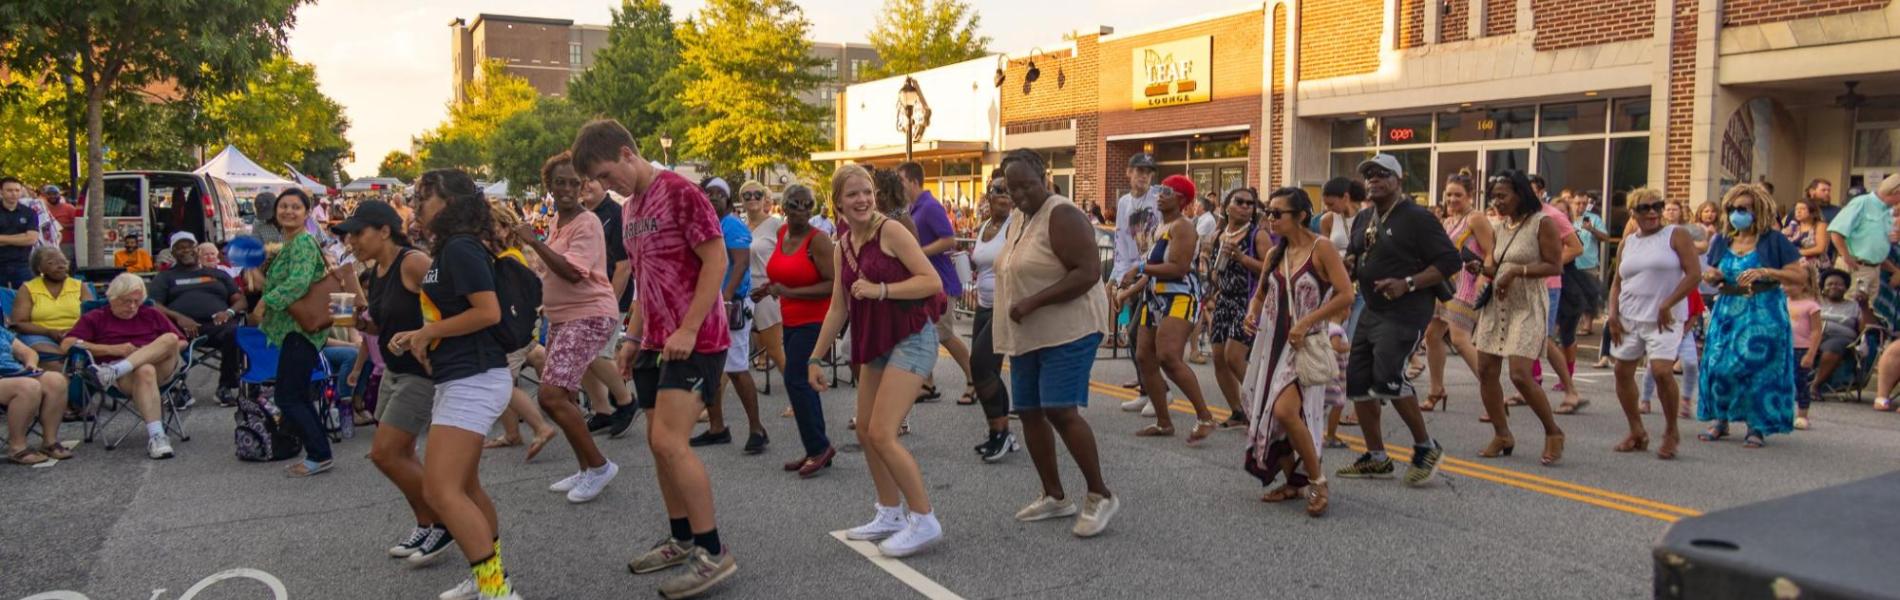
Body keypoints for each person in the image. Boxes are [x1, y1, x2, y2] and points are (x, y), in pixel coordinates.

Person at [576, 119, 737, 597]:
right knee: (656, 441)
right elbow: (648, 280)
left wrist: (689, 327)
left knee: (670, 441)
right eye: (599, 183)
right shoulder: (631, 211)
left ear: (628, 153)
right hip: (655, 341)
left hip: (698, 338)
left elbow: (718, 260)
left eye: (607, 175)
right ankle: (682, 537)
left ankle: (713, 552)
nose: (607, 187)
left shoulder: (680, 192)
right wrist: (631, 337)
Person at [385, 170, 522, 600]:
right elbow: (458, 315)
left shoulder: (461, 247)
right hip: (463, 377)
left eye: (424, 196)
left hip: (474, 379)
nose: (417, 204)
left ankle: (496, 590)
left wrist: (426, 334)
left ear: (449, 200)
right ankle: (488, 577)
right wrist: (423, 335)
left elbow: (488, 312)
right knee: (463, 488)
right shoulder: (452, 247)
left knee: (440, 490)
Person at [808, 163, 948, 557]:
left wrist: (881, 289)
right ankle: (889, 513)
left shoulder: (891, 231)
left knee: (884, 432)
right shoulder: (842, 246)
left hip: (911, 337)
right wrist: (814, 358)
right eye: (852, 194)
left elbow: (931, 281)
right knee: (866, 430)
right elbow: (838, 308)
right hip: (877, 342)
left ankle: (924, 519)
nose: (863, 199)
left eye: (867, 191)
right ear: (837, 202)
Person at [992, 149, 1121, 535]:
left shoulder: (1061, 214)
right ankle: (1054, 496)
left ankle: (1100, 494)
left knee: (1060, 409)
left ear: (1044, 176)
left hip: (1070, 328)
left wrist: (1034, 301)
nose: (1018, 194)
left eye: (1026, 185)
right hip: (1028, 332)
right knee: (1029, 411)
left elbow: (1088, 272)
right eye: (1010, 187)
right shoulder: (1019, 218)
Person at [334, 200, 456, 564]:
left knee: (385, 453)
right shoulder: (380, 270)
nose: (352, 241)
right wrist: (364, 325)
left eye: (359, 232)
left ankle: (447, 521)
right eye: (350, 235)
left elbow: (452, 308)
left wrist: (423, 336)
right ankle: (427, 522)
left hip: (420, 373)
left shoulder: (413, 262)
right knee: (399, 454)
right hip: (393, 370)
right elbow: (389, 324)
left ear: (384, 230)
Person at [1337, 153, 1458, 485]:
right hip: (1372, 309)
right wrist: (1348, 266)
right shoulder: (1364, 218)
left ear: (1398, 180)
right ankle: (1376, 457)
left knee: (1388, 377)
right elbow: (1356, 253)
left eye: (1382, 174)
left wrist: (1407, 283)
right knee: (1357, 380)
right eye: (1369, 175)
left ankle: (1425, 446)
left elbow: (1450, 261)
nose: (1373, 179)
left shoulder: (1417, 217)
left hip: (1407, 310)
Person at [1237, 186, 1353, 516]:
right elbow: (1260, 295)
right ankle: (1294, 480)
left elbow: (1345, 294)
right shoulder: (1276, 253)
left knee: (1286, 411)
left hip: (1303, 343)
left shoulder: (1323, 248)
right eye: (1268, 213)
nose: (1270, 219)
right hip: (1270, 342)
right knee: (1272, 414)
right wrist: (1251, 313)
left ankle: (1317, 480)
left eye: (1277, 213)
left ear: (1301, 216)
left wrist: (1308, 322)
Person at [517, 152, 623, 503]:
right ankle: (586, 468)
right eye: (559, 182)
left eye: (573, 182)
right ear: (549, 186)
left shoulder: (587, 222)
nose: (566, 188)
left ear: (583, 186)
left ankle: (600, 466)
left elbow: (573, 271)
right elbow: (553, 269)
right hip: (563, 315)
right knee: (562, 395)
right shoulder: (558, 224)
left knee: (550, 395)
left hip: (589, 313)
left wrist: (532, 243)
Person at [1470, 171, 1569, 465]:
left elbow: (1555, 266)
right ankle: (1502, 434)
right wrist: (1481, 268)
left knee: (1520, 375)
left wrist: (1517, 272)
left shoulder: (1542, 223)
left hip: (1527, 304)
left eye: (1503, 195)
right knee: (1486, 370)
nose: (1497, 202)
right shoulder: (1500, 226)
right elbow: (1497, 266)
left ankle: (1553, 432)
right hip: (1498, 304)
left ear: (1520, 194)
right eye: (1493, 197)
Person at [1698, 183, 1805, 449]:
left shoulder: (1774, 240)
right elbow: (1711, 272)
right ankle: (1720, 420)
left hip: (1764, 310)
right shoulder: (1722, 239)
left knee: (1759, 370)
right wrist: (1713, 276)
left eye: (1743, 209)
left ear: (1757, 210)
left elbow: (1799, 276)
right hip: (1728, 310)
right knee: (1719, 366)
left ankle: (1756, 426)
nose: (1737, 213)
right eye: (1732, 209)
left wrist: (1768, 272)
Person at [1604, 189, 1699, 460]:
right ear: (1633, 212)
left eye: (1657, 206)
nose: (1652, 212)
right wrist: (1612, 314)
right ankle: (1637, 431)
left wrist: (1667, 303)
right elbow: (1616, 283)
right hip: (1629, 316)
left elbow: (1694, 275)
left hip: (1664, 318)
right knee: (1622, 372)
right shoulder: (1628, 243)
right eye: (1644, 208)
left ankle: (1671, 431)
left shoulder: (1676, 235)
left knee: (1661, 371)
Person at [1122, 174, 1217, 443]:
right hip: (1155, 299)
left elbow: (1177, 268)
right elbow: (1150, 271)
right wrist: (1128, 290)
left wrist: (1139, 268)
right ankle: (1164, 422)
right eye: (1160, 190)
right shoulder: (1159, 227)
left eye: (1168, 191)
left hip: (1180, 296)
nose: (1161, 194)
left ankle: (1205, 416)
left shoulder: (1183, 227)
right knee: (1144, 356)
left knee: (1168, 356)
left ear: (1182, 199)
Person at [251, 188, 338, 477]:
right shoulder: (287, 243)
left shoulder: (302, 242)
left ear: (307, 212)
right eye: (283, 206)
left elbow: (298, 283)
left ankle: (319, 454)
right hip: (293, 330)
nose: (288, 211)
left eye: (295, 207)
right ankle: (318, 452)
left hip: (301, 329)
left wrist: (266, 302)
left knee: (288, 396)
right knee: (297, 394)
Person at [759, 184, 836, 477]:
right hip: (790, 318)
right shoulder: (782, 235)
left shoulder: (819, 241)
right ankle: (816, 447)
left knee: (795, 380)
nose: (802, 210)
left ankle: (819, 447)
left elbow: (832, 284)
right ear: (785, 208)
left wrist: (789, 290)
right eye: (795, 204)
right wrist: (768, 290)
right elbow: (782, 275)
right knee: (800, 382)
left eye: (808, 205)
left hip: (815, 320)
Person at [63, 273, 184, 460]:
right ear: (112, 298)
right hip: (127, 379)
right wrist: (113, 349)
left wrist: (148, 351)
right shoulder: (96, 317)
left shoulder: (151, 313)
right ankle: (157, 436)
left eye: (137, 301)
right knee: (145, 370)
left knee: (170, 339)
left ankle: (115, 371)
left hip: (161, 368)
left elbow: (181, 343)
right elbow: (67, 344)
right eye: (126, 301)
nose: (132, 307)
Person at [692, 177, 768, 454]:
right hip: (710, 302)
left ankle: (757, 429)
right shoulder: (707, 223)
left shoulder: (732, 224)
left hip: (731, 303)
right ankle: (716, 428)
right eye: (707, 193)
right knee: (710, 367)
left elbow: (740, 263)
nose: (712, 198)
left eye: (718, 194)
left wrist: (723, 299)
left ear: (726, 198)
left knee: (736, 367)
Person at [897, 162, 973, 404]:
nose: (899, 186)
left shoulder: (930, 206)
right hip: (923, 283)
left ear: (913, 181)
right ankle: (927, 383)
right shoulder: (912, 208)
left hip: (941, 283)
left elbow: (949, 240)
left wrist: (918, 252)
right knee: (922, 332)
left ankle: (975, 381)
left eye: (901, 181)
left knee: (944, 334)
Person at [149, 231, 246, 405]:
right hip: (180, 328)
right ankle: (178, 388)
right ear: (173, 253)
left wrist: (229, 312)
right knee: (164, 338)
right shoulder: (165, 277)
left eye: (190, 246)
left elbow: (240, 299)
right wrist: (179, 317)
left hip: (217, 325)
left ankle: (225, 386)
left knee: (235, 332)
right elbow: (153, 304)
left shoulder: (218, 274)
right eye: (180, 248)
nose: (186, 251)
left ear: (197, 249)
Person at [1422, 172, 1492, 412]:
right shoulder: (1448, 220)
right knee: (1432, 335)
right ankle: (1436, 389)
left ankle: (1492, 392)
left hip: (1467, 284)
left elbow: (1492, 252)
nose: (1452, 199)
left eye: (1458, 195)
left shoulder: (1476, 218)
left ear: (1470, 196)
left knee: (1460, 340)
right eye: (1449, 194)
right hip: (1444, 285)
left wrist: (1485, 276)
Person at [1204, 188, 1273, 429]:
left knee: (1234, 357)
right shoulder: (1220, 235)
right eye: (1240, 202)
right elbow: (1213, 268)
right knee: (1219, 359)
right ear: (1227, 206)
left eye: (1250, 204)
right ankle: (1238, 411)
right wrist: (1213, 281)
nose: (1245, 207)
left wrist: (1243, 259)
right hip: (1224, 300)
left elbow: (1270, 269)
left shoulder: (1257, 236)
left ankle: (1261, 408)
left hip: (1247, 301)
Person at [581, 175, 640, 437]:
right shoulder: (581, 215)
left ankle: (626, 402)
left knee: (595, 352)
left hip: (610, 298)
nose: (585, 186)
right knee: (582, 356)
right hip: (584, 298)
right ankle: (603, 410)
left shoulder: (615, 214)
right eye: (578, 182)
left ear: (602, 184)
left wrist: (609, 304)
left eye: (588, 181)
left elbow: (624, 266)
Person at [967, 170, 1018, 461]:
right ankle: (998, 431)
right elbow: (984, 263)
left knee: (981, 365)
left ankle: (1002, 432)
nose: (1003, 195)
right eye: (998, 189)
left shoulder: (1014, 225)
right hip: (983, 305)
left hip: (1003, 306)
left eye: (1008, 191)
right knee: (986, 372)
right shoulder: (986, 224)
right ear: (988, 194)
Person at [1112, 154, 1160, 396]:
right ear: (1129, 172)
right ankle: (1146, 389)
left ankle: (1157, 390)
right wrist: (1119, 276)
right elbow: (1120, 240)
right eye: (1139, 170)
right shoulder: (1124, 203)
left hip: (1153, 273)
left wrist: (1144, 270)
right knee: (1133, 336)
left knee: (1138, 334)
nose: (1143, 176)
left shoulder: (1159, 199)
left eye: (1148, 171)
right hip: (1132, 272)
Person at [740, 181, 789, 407]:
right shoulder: (740, 226)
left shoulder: (776, 226)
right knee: (730, 350)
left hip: (768, 292)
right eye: (746, 194)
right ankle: (711, 409)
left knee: (775, 351)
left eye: (757, 194)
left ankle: (800, 400)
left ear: (765, 197)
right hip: (743, 291)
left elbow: (792, 255)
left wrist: (782, 284)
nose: (752, 198)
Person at [0, 320, 72, 465]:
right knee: (28, 386)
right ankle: (17, 447)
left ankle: (49, 441)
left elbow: (28, 352)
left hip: (14, 372)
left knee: (56, 380)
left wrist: (30, 364)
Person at [11, 246, 94, 368]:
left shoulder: (80, 286)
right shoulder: (28, 288)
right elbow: (19, 323)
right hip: (40, 335)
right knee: (54, 360)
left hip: (76, 333)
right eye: (52, 262)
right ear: (39, 267)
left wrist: (74, 332)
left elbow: (91, 316)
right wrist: (49, 332)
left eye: (63, 262)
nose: (60, 266)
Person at [1826, 175, 1900, 308]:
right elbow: (1836, 231)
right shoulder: (1862, 202)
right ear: (1896, 192)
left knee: (1867, 313)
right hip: (1857, 267)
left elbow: (1873, 243)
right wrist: (1846, 257)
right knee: (1850, 310)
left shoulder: (1888, 211)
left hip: (1875, 269)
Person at [1810, 269, 1867, 412]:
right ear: (1823, 287)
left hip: (1840, 339)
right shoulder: (1816, 302)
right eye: (1829, 284)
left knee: (1833, 347)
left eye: (1838, 284)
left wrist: (1864, 306)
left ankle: (1814, 386)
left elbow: (1864, 329)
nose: (1834, 287)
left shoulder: (1854, 306)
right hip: (1813, 334)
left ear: (1846, 288)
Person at [1786, 271, 1821, 431]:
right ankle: (1784, 412)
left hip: (1802, 348)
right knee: (1783, 381)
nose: (1786, 288)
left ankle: (1802, 414)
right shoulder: (1782, 302)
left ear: (1803, 284)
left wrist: (1811, 353)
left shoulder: (1811, 306)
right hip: (1785, 347)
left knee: (1801, 381)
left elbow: (1816, 331)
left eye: (1790, 284)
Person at [0, 177, 42, 289]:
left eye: (17, 190)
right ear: (1, 192)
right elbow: (27, 237)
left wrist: (2, 238)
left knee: (25, 300)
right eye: (9, 190)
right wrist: (21, 237)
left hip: (22, 265)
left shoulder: (29, 213)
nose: (13, 194)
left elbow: (31, 239)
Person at [1783, 198, 1831, 271]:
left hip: (1816, 267)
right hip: (1795, 267)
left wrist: (1797, 252)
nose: (1798, 212)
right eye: (1796, 209)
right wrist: (1783, 234)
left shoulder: (1820, 225)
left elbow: (1820, 248)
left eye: (1802, 209)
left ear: (1812, 211)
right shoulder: (1794, 226)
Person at [41, 184, 76, 259]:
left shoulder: (69, 208)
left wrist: (60, 226)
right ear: (45, 196)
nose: (52, 196)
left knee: (65, 264)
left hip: (66, 243)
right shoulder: (43, 209)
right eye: (49, 194)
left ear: (59, 195)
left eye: (55, 194)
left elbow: (78, 224)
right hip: (48, 244)